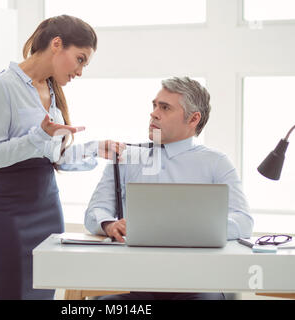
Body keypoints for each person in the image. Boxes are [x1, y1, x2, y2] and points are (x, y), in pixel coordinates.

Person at [0, 15, 124, 300]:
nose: (80, 71)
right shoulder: (4, 86)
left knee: (44, 295)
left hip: (47, 206)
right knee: (12, 294)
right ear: (57, 44)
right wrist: (41, 135)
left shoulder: (53, 93)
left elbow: (55, 158)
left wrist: (94, 148)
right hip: (8, 210)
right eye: (80, 59)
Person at [84, 76, 253, 300]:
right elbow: (95, 212)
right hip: (140, 285)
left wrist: (193, 229)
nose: (154, 113)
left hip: (200, 286)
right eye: (154, 105)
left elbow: (243, 221)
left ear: (193, 119)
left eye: (165, 107)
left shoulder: (216, 163)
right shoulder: (126, 158)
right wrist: (109, 224)